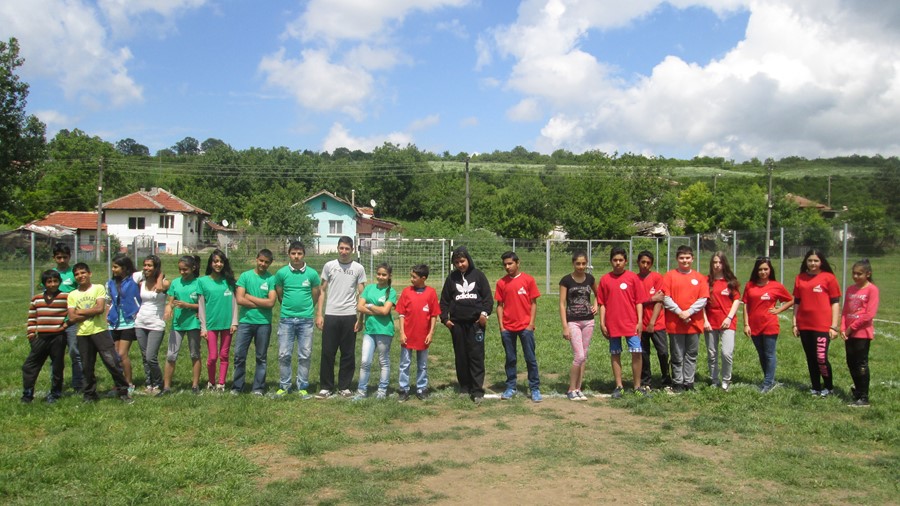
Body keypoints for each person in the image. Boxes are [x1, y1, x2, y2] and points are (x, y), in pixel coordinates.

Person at [67, 262, 132, 403]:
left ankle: (123, 391)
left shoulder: (98, 288)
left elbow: (100, 309)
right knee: (87, 366)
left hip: (100, 331)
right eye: (77, 274)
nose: (80, 276)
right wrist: (90, 312)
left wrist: (80, 311)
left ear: (89, 273)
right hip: (83, 334)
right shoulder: (72, 295)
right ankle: (89, 395)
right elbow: (71, 317)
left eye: (83, 272)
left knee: (112, 362)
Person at [315, 236, 367, 399]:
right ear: (338, 248)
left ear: (352, 250)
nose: (344, 252)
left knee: (348, 353)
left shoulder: (358, 268)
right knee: (328, 352)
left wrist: (360, 318)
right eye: (341, 248)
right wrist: (319, 314)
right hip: (331, 314)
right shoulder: (329, 266)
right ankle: (326, 387)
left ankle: (344, 386)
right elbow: (322, 290)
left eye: (347, 249)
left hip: (349, 315)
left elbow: (362, 294)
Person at [440, 246, 493, 404]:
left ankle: (477, 390)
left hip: (475, 324)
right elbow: (444, 301)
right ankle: (464, 387)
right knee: (461, 356)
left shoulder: (478, 276)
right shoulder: (452, 278)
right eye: (457, 262)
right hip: (457, 325)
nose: (460, 264)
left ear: (468, 259)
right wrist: (445, 319)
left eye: (462, 261)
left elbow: (487, 299)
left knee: (476, 356)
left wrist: (484, 314)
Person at [597, 247, 648, 398]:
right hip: (612, 324)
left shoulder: (633, 278)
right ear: (611, 261)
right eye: (615, 260)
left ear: (625, 261)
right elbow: (602, 303)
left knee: (637, 352)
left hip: (631, 323)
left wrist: (639, 321)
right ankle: (619, 386)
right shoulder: (605, 279)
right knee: (615, 353)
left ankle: (637, 386)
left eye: (620, 260)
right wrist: (602, 323)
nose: (618, 263)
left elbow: (639, 302)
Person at [274, 241, 320, 398]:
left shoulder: (312, 274)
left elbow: (316, 294)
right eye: (293, 253)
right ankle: (284, 386)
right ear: (289, 254)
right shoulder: (281, 273)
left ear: (304, 255)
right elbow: (279, 293)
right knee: (284, 354)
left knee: (305, 355)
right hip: (286, 319)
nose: (296, 256)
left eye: (299, 253)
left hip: (306, 320)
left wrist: (307, 308)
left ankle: (302, 387)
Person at [792, 249, 841, 397]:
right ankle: (815, 387)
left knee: (821, 358)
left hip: (822, 326)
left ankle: (828, 387)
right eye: (810, 260)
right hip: (804, 325)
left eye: (816, 260)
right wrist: (795, 323)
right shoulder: (800, 278)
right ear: (806, 261)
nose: (812, 263)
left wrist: (834, 326)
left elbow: (835, 302)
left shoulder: (829, 278)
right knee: (811, 358)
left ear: (821, 262)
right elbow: (797, 302)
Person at [495, 251, 542, 402]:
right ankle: (511, 386)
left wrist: (531, 324)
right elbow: (499, 305)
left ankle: (534, 388)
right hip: (508, 328)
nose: (507, 267)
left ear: (518, 263)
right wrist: (502, 327)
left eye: (510, 263)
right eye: (505, 264)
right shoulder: (501, 283)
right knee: (510, 359)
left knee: (530, 358)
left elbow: (533, 303)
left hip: (525, 327)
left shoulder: (528, 280)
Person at [742, 257, 793, 393]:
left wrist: (778, 310)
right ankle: (769, 379)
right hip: (754, 325)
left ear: (770, 270)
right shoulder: (750, 285)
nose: (763, 272)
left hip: (770, 324)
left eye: (766, 269)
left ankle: (767, 383)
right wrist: (746, 324)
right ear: (756, 270)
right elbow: (746, 305)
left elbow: (791, 300)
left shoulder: (776, 286)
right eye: (760, 269)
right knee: (761, 354)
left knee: (769, 354)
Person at [661, 245, 708, 393]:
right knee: (677, 354)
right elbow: (666, 297)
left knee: (691, 354)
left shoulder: (700, 278)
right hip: (675, 323)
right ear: (677, 259)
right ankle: (678, 382)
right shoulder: (669, 276)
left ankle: (689, 382)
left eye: (687, 257)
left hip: (694, 323)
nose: (685, 260)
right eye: (682, 258)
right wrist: (679, 312)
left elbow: (703, 299)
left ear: (692, 259)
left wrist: (689, 312)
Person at [232, 249, 277, 395]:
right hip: (245, 321)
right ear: (256, 259)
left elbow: (271, 303)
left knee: (261, 357)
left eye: (266, 262)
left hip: (263, 323)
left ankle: (258, 388)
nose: (263, 264)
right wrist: (261, 303)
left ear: (270, 263)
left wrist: (249, 297)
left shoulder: (271, 279)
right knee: (239, 355)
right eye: (261, 260)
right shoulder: (245, 276)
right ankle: (237, 387)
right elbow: (239, 299)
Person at [22, 270, 69, 403]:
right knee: (29, 366)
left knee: (57, 366)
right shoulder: (36, 299)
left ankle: (55, 393)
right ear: (44, 283)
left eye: (55, 281)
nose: (52, 284)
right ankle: (27, 394)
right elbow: (32, 317)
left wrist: (65, 325)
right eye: (49, 282)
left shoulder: (66, 297)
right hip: (41, 338)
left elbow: (73, 312)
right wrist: (31, 335)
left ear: (59, 282)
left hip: (58, 337)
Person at [396, 264, 440, 401]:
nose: (411, 279)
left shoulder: (431, 292)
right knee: (404, 363)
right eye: (411, 276)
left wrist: (430, 333)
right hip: (408, 335)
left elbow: (434, 315)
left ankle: (421, 388)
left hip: (423, 335)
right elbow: (401, 314)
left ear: (423, 278)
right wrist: (402, 333)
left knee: (423, 364)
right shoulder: (406, 292)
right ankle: (403, 388)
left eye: (414, 277)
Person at [160, 255, 203, 396]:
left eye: (185, 269)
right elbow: (171, 301)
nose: (182, 272)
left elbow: (203, 305)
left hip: (193, 324)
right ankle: (166, 387)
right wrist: (169, 307)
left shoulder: (199, 283)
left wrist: (188, 305)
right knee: (171, 355)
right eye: (180, 269)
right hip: (177, 324)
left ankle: (195, 385)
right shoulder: (175, 283)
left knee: (195, 354)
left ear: (193, 268)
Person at [354, 262, 397, 400]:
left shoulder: (391, 292)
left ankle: (382, 391)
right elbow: (359, 307)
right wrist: (376, 310)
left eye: (384, 275)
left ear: (389, 276)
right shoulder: (369, 288)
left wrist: (370, 305)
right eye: (378, 274)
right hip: (369, 330)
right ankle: (361, 391)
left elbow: (385, 311)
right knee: (365, 361)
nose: (380, 277)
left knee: (383, 361)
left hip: (384, 330)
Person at [198, 249, 238, 392]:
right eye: (215, 261)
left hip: (227, 324)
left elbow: (234, 302)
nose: (218, 264)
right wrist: (203, 327)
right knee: (213, 356)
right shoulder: (202, 281)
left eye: (221, 261)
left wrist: (234, 322)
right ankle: (211, 381)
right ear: (211, 263)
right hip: (211, 325)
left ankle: (221, 383)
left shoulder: (229, 282)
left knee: (224, 355)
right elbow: (201, 306)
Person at [559, 251, 597, 401]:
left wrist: (596, 305)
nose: (581, 266)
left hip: (588, 321)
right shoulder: (566, 280)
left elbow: (599, 295)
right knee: (579, 355)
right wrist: (565, 326)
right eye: (578, 263)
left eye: (583, 263)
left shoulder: (590, 279)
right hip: (573, 321)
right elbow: (562, 304)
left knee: (584, 356)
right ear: (573, 263)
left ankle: (578, 389)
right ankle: (571, 389)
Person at [841, 259, 879, 407]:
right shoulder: (850, 289)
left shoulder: (872, 289)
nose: (856, 276)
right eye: (854, 273)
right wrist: (843, 327)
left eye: (859, 274)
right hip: (849, 333)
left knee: (860, 363)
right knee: (851, 362)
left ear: (868, 274)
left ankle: (864, 397)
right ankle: (857, 391)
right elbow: (845, 310)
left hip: (862, 333)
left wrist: (851, 328)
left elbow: (869, 314)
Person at [702, 252, 741, 391]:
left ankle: (726, 380)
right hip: (710, 322)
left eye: (720, 262)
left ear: (724, 264)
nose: (717, 265)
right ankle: (714, 380)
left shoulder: (731, 281)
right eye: (714, 262)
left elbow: (737, 300)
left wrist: (729, 317)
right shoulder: (706, 281)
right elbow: (701, 302)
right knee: (712, 353)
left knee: (726, 353)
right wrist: (705, 320)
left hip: (727, 322)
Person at [134, 255, 169, 395]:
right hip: (140, 322)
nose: (146, 268)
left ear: (156, 267)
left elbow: (160, 288)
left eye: (150, 265)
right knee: (144, 357)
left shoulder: (165, 283)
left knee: (150, 357)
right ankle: (149, 383)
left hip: (156, 324)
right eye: (145, 265)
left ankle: (159, 383)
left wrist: (159, 276)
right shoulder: (141, 282)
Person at [636, 251, 671, 390]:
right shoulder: (634, 279)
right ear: (638, 262)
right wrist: (650, 299)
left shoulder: (657, 277)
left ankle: (666, 379)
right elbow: (635, 301)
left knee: (663, 352)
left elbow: (659, 301)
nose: (645, 265)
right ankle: (646, 382)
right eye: (643, 262)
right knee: (643, 354)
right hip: (640, 323)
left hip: (657, 323)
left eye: (648, 263)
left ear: (652, 264)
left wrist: (652, 323)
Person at [107, 254, 140, 395]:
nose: (113, 269)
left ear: (125, 268)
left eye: (116, 267)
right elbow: (109, 301)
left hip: (128, 322)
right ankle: (118, 383)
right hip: (114, 323)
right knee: (115, 356)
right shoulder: (110, 283)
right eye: (112, 266)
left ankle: (129, 383)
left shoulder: (134, 279)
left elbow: (157, 273)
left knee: (122, 354)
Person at [52, 242, 83, 392]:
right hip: (54, 320)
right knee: (55, 355)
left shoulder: (74, 273)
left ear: (69, 257)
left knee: (74, 352)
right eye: (59, 257)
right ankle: (56, 384)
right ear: (54, 258)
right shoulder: (51, 274)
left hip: (71, 320)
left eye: (65, 257)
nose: (62, 260)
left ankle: (78, 384)